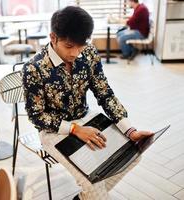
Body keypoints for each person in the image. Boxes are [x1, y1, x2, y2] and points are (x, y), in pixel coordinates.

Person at [22, 6, 153, 200]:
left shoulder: (89, 53)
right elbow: (37, 116)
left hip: (87, 118)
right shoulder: (34, 68)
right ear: (53, 37)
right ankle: (92, 194)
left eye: (80, 45)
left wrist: (129, 130)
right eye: (69, 46)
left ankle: (88, 196)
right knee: (93, 185)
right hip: (54, 131)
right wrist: (75, 129)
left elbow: (104, 93)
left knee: (132, 155)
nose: (75, 52)